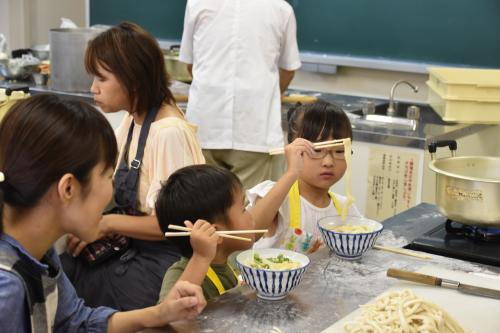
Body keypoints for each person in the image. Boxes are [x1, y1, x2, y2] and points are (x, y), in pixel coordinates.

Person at [0, 94, 206, 332]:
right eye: (108, 176)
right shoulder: (7, 288)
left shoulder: (38, 251)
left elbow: (74, 321)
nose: (111, 190)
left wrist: (160, 313)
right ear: (68, 188)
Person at [60, 22, 205, 311]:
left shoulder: (168, 132)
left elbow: (176, 226)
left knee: (77, 289)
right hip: (134, 245)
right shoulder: (133, 119)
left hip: (163, 261)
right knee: (61, 266)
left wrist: (105, 224)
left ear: (133, 80)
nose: (93, 88)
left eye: (101, 79)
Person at [156, 135, 314, 300]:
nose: (251, 216)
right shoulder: (180, 273)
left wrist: (293, 172)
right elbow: (169, 316)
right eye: (243, 209)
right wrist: (201, 257)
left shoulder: (229, 260)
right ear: (215, 233)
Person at [179, 0, 302, 190]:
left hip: (205, 123)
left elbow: (190, 63)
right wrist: (268, 96)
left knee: (202, 208)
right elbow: (288, 69)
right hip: (255, 128)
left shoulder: (197, 3)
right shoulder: (280, 8)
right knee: (252, 211)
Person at [247, 101, 362, 254]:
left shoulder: (345, 208)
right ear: (292, 150)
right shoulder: (278, 198)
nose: (328, 162)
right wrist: (291, 173)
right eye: (316, 150)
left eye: (340, 151)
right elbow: (248, 234)